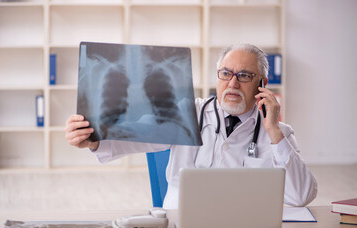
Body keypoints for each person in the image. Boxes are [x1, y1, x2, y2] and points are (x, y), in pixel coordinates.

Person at [65, 44, 318, 209]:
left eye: (244, 76)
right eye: (225, 73)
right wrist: (94, 138)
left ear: (261, 84)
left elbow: (301, 196)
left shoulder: (276, 131)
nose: (232, 84)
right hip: (182, 226)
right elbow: (135, 131)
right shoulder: (189, 112)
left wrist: (273, 131)